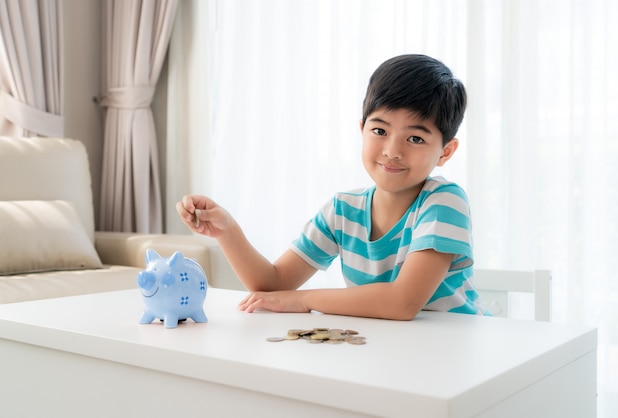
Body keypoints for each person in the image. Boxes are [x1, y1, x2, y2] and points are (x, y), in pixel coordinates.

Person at [177, 54, 488, 320]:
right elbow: (272, 287)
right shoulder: (343, 209)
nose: (393, 150)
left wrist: (304, 300)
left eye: (415, 138)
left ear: (446, 152)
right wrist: (227, 231)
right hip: (387, 351)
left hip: (453, 355)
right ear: (362, 129)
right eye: (380, 130)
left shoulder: (445, 201)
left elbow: (402, 303)